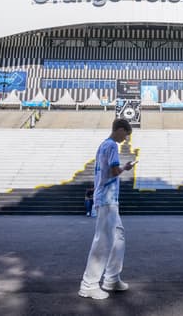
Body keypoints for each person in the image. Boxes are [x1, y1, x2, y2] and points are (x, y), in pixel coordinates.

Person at [78, 119, 136, 300]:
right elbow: (113, 171)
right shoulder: (111, 146)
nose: (126, 139)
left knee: (118, 236)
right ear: (119, 130)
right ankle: (89, 284)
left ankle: (111, 277)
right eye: (125, 134)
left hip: (107, 197)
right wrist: (125, 168)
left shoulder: (104, 144)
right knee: (103, 240)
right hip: (107, 197)